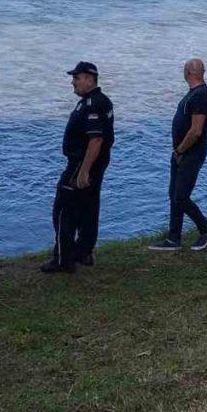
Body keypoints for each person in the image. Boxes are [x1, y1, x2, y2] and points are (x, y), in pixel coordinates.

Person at [41, 61, 115, 273]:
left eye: (76, 78)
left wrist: (83, 171)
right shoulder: (101, 101)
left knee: (63, 209)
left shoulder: (92, 104)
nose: (72, 82)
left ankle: (64, 260)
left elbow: (96, 140)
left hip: (81, 164)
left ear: (90, 79)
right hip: (95, 164)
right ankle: (84, 251)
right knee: (88, 207)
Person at [149, 58, 207, 251]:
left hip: (190, 153)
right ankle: (173, 237)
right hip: (181, 152)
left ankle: (205, 229)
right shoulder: (194, 94)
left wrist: (180, 150)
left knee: (181, 196)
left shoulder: (201, 96)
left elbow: (196, 131)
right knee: (174, 194)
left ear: (187, 72)